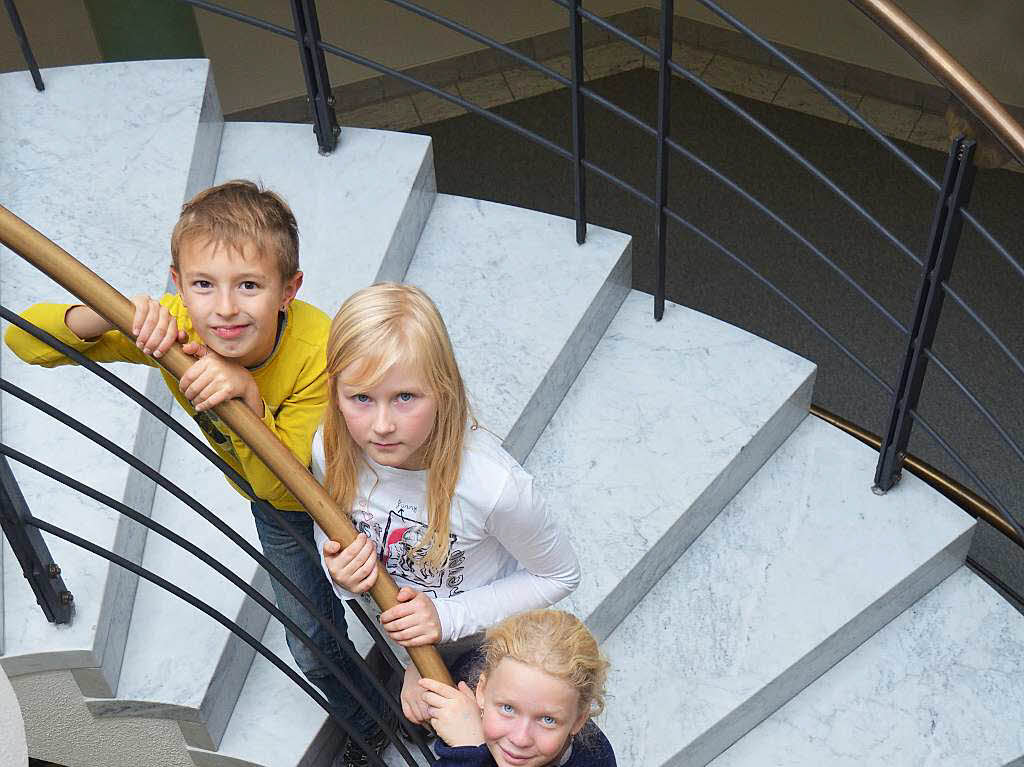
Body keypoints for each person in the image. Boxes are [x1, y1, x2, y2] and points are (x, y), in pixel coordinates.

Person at [4, 180, 391, 767]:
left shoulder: (324, 352)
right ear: (178, 282)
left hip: (350, 497)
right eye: (203, 284)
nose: (226, 308)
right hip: (279, 515)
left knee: (399, 609)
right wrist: (107, 315)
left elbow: (288, 484)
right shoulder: (181, 329)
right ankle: (375, 728)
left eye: (249, 286)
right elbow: (22, 340)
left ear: (288, 290)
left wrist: (249, 407)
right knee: (312, 646)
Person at [313, 282, 581, 742]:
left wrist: (442, 622)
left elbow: (558, 575)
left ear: (443, 389)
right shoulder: (332, 447)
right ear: (335, 392)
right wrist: (335, 566)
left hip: (483, 648)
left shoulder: (493, 487)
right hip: (408, 642)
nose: (381, 425)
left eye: (405, 398)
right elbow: (329, 523)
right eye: (361, 398)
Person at [418, 609, 616, 767]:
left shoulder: (596, 760)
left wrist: (468, 753)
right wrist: (415, 673)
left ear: (578, 721)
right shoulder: (468, 672)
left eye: (548, 720)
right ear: (481, 690)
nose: (520, 739)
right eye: (508, 708)